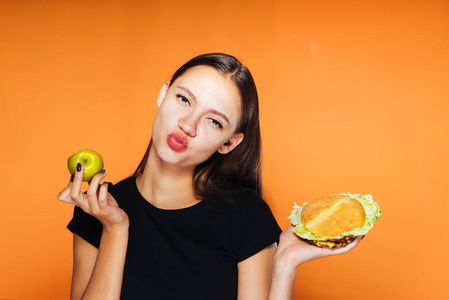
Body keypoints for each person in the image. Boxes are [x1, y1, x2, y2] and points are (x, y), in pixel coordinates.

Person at [58, 53, 362, 300]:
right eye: (184, 99)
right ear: (163, 94)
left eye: (214, 121)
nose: (188, 125)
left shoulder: (246, 215)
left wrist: (284, 264)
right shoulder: (99, 207)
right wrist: (115, 229)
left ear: (229, 142)